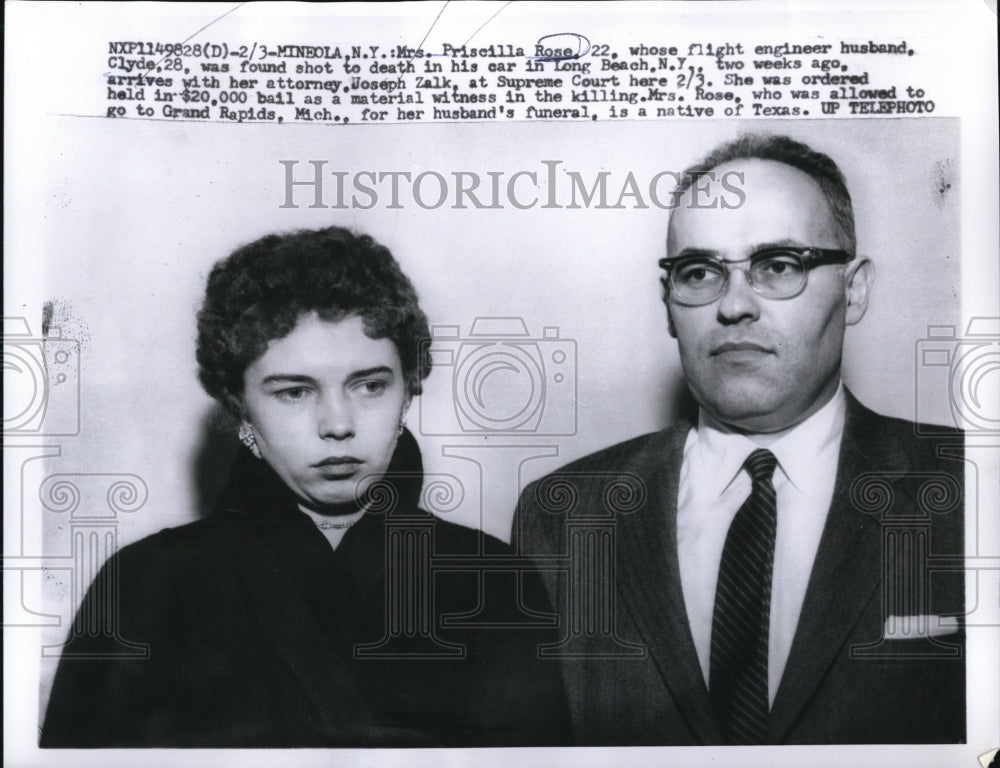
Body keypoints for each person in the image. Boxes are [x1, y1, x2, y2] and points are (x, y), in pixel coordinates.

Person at [42, 226, 570, 747]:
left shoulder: (493, 580)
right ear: (238, 406)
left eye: (369, 385)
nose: (337, 423)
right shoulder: (144, 586)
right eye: (295, 392)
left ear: (409, 388)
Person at [515, 134, 965, 745]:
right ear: (668, 304)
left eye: (778, 265)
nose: (734, 306)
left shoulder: (970, 489)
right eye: (700, 272)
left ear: (854, 289)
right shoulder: (563, 514)